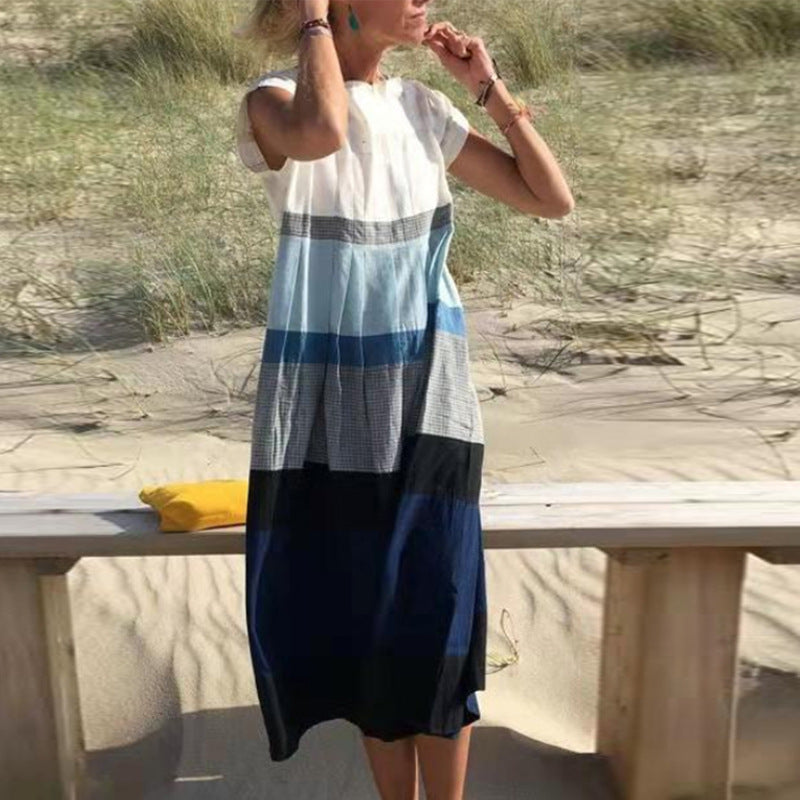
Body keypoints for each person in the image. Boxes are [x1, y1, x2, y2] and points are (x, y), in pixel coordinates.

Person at [233, 1, 574, 798]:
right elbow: (323, 133)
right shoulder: (272, 101)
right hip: (328, 401)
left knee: (438, 604)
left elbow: (549, 198)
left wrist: (488, 88)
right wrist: (314, 24)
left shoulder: (423, 107)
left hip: (430, 389)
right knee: (368, 621)